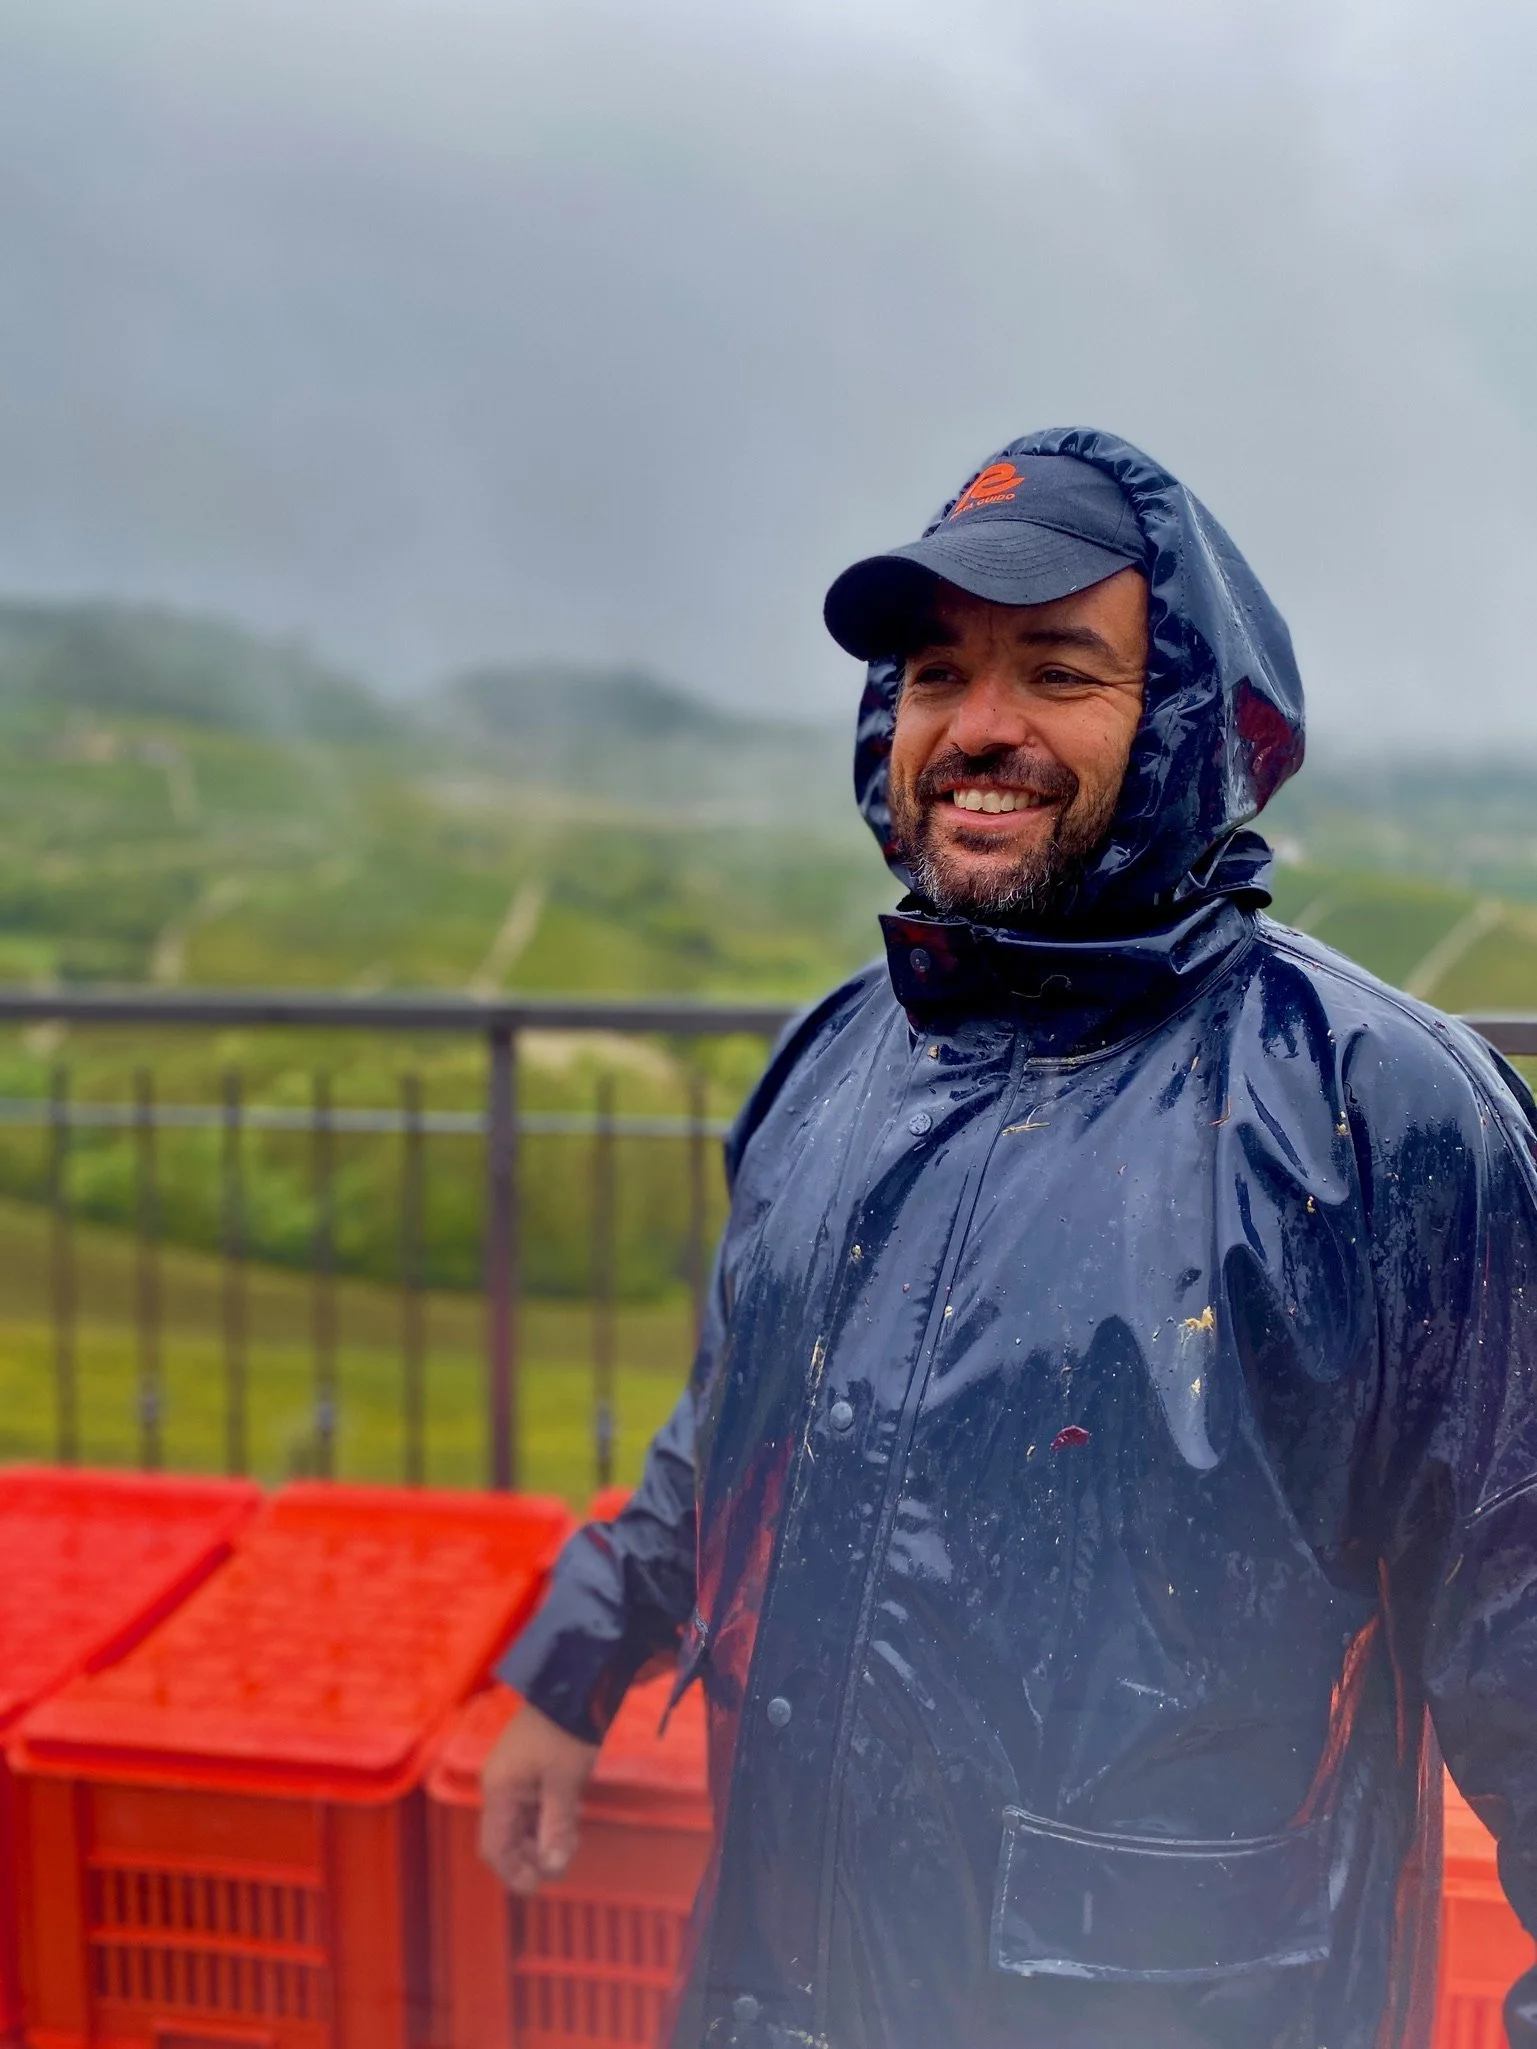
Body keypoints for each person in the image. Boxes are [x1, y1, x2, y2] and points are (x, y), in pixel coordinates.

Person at [480, 428, 1537, 2049]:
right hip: (779, 1987)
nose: (979, 730)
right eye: (934, 675)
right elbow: (741, 1421)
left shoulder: (1376, 1115)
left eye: (1058, 672)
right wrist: (575, 1664)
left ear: (1181, 712)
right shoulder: (830, 1066)